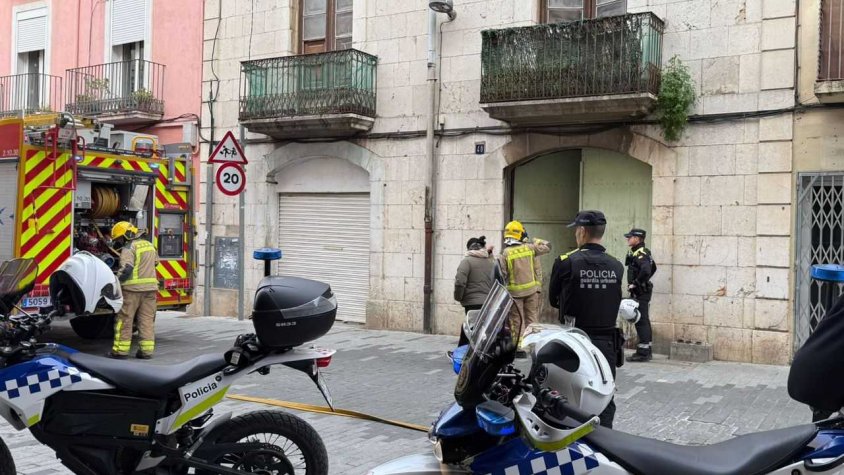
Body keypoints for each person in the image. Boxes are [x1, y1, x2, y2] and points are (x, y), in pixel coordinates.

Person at [549, 210, 624, 428]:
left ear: (581, 232)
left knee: (568, 393)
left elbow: (554, 300)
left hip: (576, 341)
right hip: (607, 343)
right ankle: (605, 441)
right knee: (605, 394)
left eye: (576, 231)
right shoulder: (616, 265)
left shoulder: (565, 262)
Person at [108, 221, 159, 360]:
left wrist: (116, 281)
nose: (119, 242)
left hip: (132, 291)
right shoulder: (150, 245)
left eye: (119, 239)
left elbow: (127, 269)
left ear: (125, 235)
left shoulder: (129, 247)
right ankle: (146, 352)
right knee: (146, 320)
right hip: (150, 290)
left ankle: (120, 351)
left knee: (124, 320)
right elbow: (156, 263)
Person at [497, 221, 551, 342]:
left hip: (515, 294)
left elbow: (502, 274)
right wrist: (536, 240)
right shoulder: (530, 248)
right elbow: (548, 246)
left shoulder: (505, 253)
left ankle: (520, 347)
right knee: (532, 319)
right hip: (532, 292)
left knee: (517, 321)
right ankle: (534, 343)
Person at [454, 236, 495, 346]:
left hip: (472, 303)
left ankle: (463, 352)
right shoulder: (491, 262)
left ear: (469, 249)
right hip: (487, 302)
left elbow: (459, 282)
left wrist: (458, 297)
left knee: (470, 328)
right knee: (482, 328)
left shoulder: (466, 262)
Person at [624, 228, 657, 362]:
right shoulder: (638, 252)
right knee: (642, 320)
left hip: (640, 291)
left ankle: (643, 353)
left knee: (641, 321)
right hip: (640, 290)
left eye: (630, 237)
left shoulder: (641, 253)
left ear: (637, 239)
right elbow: (653, 267)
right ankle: (645, 350)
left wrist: (636, 283)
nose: (628, 239)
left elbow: (647, 269)